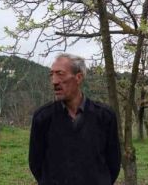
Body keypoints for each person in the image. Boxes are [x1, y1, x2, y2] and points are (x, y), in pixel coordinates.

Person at [28, 53, 121, 185]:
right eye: (52, 75)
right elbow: (35, 164)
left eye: (60, 74)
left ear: (78, 77)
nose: (54, 81)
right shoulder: (43, 117)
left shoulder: (105, 116)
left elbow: (113, 163)